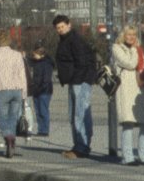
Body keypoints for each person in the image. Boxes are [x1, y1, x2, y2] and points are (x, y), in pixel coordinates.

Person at [53, 13, 97, 158]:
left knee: (80, 114)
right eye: (58, 28)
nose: (60, 30)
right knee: (75, 114)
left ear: (69, 24)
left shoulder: (74, 40)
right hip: (75, 80)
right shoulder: (67, 40)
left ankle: (81, 147)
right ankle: (79, 145)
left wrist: (76, 79)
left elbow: (82, 62)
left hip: (80, 81)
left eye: (62, 27)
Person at [0, 29, 29, 158]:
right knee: (13, 118)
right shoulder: (17, 55)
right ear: (9, 39)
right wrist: (24, 92)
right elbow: (22, 74)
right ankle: (11, 141)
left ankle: (8, 137)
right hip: (17, 90)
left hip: (2, 90)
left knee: (2, 118)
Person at [110, 25, 144, 166]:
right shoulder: (117, 48)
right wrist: (135, 50)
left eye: (134, 34)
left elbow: (143, 66)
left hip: (139, 89)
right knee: (128, 123)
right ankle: (127, 157)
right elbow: (130, 63)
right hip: (125, 89)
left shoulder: (139, 49)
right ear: (123, 35)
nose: (131, 37)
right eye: (128, 34)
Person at [29, 42, 55, 136]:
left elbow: (46, 78)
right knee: (38, 110)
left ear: (41, 54)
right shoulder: (36, 62)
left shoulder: (47, 63)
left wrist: (42, 87)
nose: (34, 56)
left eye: (35, 54)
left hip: (44, 90)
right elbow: (29, 61)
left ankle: (44, 130)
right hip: (36, 89)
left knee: (43, 110)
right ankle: (41, 129)